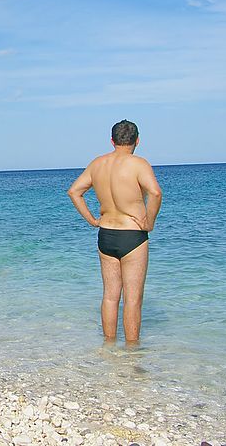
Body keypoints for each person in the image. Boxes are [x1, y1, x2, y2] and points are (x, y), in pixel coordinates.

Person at [67, 120, 163, 344]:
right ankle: (131, 353)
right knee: (132, 299)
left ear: (112, 140)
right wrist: (149, 222)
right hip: (133, 236)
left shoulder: (98, 164)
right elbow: (155, 193)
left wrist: (92, 220)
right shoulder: (138, 164)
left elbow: (74, 192)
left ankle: (109, 346)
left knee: (110, 297)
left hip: (106, 235)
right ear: (137, 140)